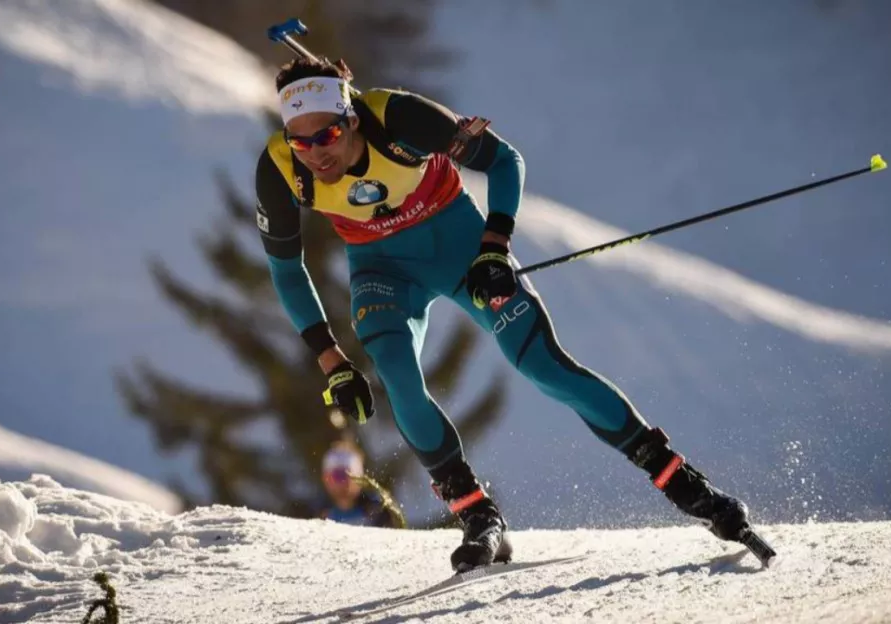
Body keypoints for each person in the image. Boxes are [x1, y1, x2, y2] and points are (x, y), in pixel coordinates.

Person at [255, 57, 754, 572]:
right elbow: (287, 271)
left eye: (327, 134)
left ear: (352, 118)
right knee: (398, 377)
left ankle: (683, 482)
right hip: (381, 271)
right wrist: (332, 361)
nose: (315, 152)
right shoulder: (279, 167)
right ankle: (477, 515)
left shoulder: (401, 119)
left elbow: (504, 161)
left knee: (542, 366)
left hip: (461, 246)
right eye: (301, 141)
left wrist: (494, 247)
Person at [317, 440, 401, 528]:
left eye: (350, 476)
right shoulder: (316, 513)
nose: (345, 482)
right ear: (325, 479)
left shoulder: (378, 511)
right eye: (338, 475)